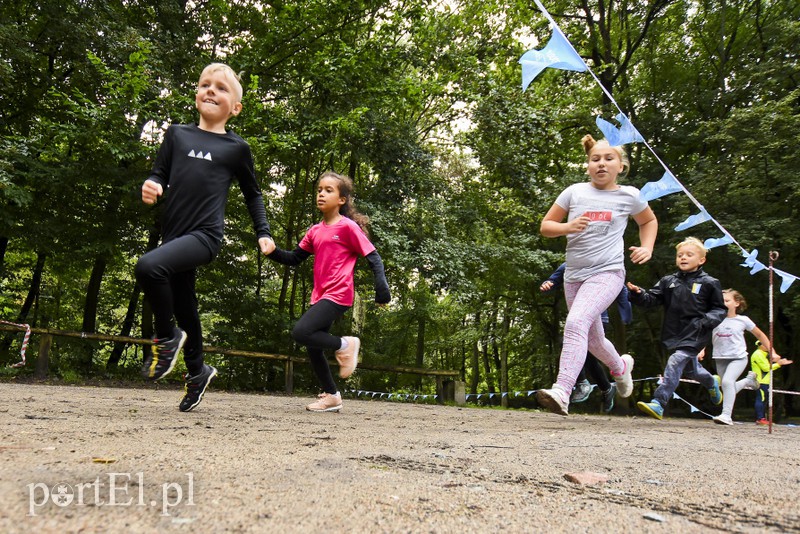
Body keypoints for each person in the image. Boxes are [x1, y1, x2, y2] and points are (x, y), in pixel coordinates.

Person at [135, 63, 275, 412]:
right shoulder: (177, 134)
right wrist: (152, 186)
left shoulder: (236, 149)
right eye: (204, 85)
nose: (211, 90)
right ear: (196, 94)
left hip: (205, 236)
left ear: (236, 108)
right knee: (186, 306)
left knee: (148, 267)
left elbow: (253, 194)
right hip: (174, 235)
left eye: (222, 88)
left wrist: (263, 232)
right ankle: (198, 373)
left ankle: (167, 339)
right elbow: (159, 174)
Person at [536, 134, 657, 415]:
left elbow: (648, 220)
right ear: (588, 165)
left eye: (608, 158)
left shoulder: (630, 196)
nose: (601, 164)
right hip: (574, 275)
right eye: (595, 159)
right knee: (593, 339)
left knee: (576, 322)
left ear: (621, 166)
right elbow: (546, 226)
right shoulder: (574, 192)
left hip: (609, 272)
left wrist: (647, 247)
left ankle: (563, 391)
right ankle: (620, 367)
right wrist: (568, 227)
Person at [267, 171, 390, 413]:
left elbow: (373, 256)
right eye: (319, 190)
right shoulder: (315, 231)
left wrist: (382, 289)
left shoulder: (348, 227)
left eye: (328, 190)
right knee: (313, 345)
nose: (321, 194)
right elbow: (294, 258)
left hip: (339, 293)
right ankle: (332, 395)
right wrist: (272, 251)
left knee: (301, 332)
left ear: (342, 199)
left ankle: (345, 344)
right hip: (320, 295)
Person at [628, 237, 726, 420]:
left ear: (701, 260)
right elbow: (651, 299)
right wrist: (638, 294)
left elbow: (720, 309)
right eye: (680, 255)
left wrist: (704, 322)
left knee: (675, 361)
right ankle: (711, 381)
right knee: (691, 370)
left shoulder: (710, 282)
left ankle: (659, 402)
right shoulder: (668, 281)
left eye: (689, 254)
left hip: (697, 332)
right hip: (674, 332)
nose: (683, 258)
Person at [539, 262, 633, 413]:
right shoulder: (570, 264)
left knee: (587, 345)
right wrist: (548, 283)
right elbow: (556, 276)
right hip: (578, 317)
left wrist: (625, 313)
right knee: (582, 346)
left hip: (600, 318)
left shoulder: (605, 267)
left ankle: (580, 385)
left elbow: (620, 288)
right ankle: (606, 382)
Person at [697, 289, 770, 425]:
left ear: (737, 303)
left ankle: (726, 416)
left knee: (726, 383)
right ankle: (748, 381)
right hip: (720, 358)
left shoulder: (743, 320)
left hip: (739, 358)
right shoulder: (713, 319)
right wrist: (701, 349)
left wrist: (772, 351)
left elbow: (760, 335)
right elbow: (704, 336)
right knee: (728, 387)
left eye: (727, 300)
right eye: (721, 301)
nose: (723, 303)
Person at [750, 341, 793, 425]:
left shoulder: (763, 354)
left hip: (765, 381)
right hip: (760, 381)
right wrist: (778, 364)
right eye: (765, 344)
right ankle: (760, 418)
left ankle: (762, 418)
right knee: (761, 398)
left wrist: (779, 361)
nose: (768, 346)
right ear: (760, 345)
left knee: (764, 399)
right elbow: (766, 368)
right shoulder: (758, 354)